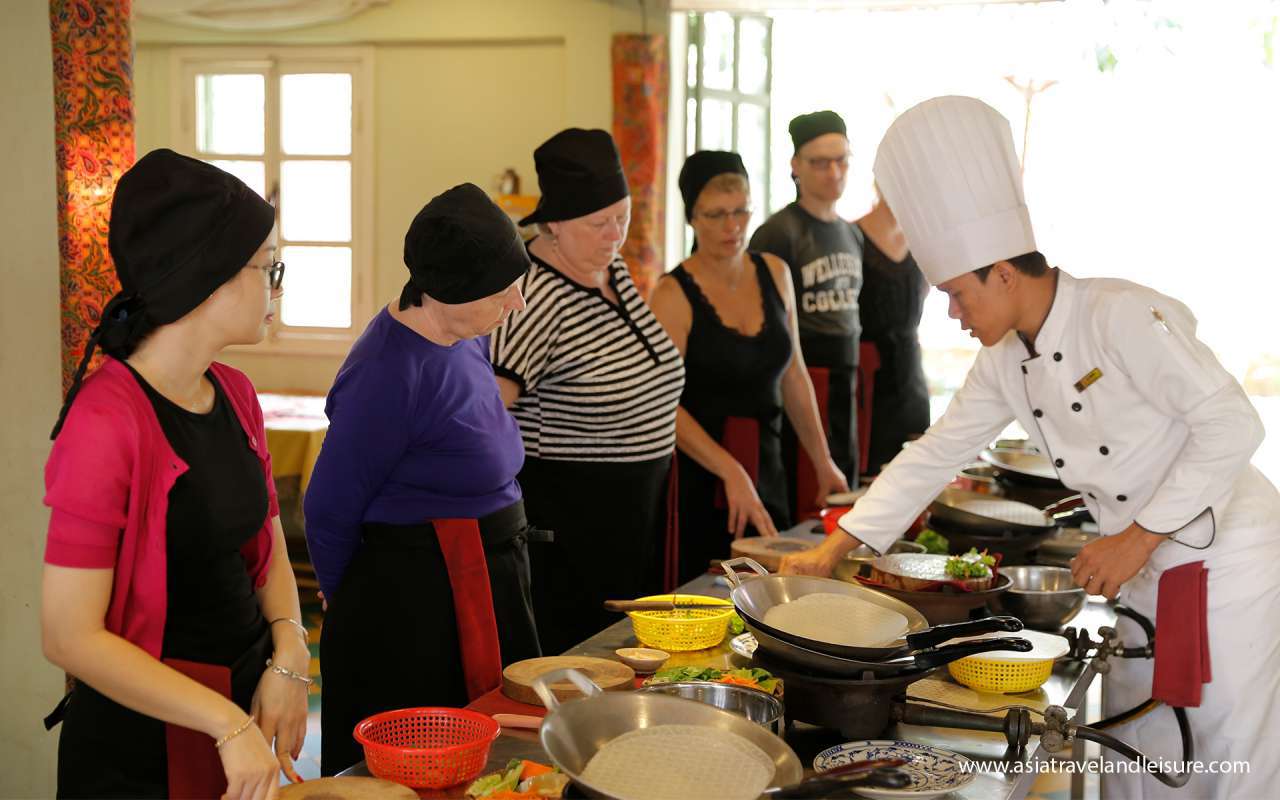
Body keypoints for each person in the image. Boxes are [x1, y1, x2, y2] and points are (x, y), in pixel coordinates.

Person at [779, 96, 1280, 800]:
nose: (954, 315)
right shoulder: (1004, 359)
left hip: (1227, 558)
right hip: (1144, 563)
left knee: (1228, 747)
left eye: (957, 295)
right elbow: (935, 451)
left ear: (1004, 273)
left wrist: (1135, 539)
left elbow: (1235, 424)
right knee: (1139, 748)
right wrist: (837, 548)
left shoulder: (1120, 314)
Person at [41, 150, 307, 800]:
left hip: (235, 711)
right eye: (267, 266)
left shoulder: (236, 392)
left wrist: (291, 652)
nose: (278, 284)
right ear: (207, 279)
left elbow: (266, 539)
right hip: (144, 744)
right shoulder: (106, 420)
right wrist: (224, 723)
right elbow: (68, 636)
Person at [304, 184, 541, 775]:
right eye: (502, 291)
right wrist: (348, 603)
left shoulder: (465, 334)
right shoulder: (386, 372)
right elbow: (329, 507)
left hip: (480, 573)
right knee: (430, 763)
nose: (517, 302)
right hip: (418, 602)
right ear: (449, 293)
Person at [489, 129, 685, 654]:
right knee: (582, 663)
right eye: (599, 223)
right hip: (571, 527)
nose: (615, 234)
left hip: (631, 514)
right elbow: (486, 416)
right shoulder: (530, 294)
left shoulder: (610, 269)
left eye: (622, 216)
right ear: (552, 223)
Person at [651, 150, 848, 584]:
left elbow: (794, 375)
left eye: (741, 211)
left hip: (767, 464)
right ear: (691, 218)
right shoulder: (671, 294)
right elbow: (662, 406)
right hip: (702, 473)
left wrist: (822, 459)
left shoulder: (775, 272)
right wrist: (729, 469)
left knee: (773, 589)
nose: (731, 226)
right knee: (712, 594)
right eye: (716, 214)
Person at [749, 110, 864, 516]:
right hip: (800, 382)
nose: (834, 172)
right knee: (804, 503)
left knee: (842, 500)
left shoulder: (852, 234)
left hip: (844, 386)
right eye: (820, 162)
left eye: (842, 160)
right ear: (796, 166)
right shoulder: (778, 233)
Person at [855, 188, 930, 475]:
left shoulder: (922, 237)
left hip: (910, 371)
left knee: (914, 469)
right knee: (870, 473)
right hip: (867, 377)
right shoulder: (852, 235)